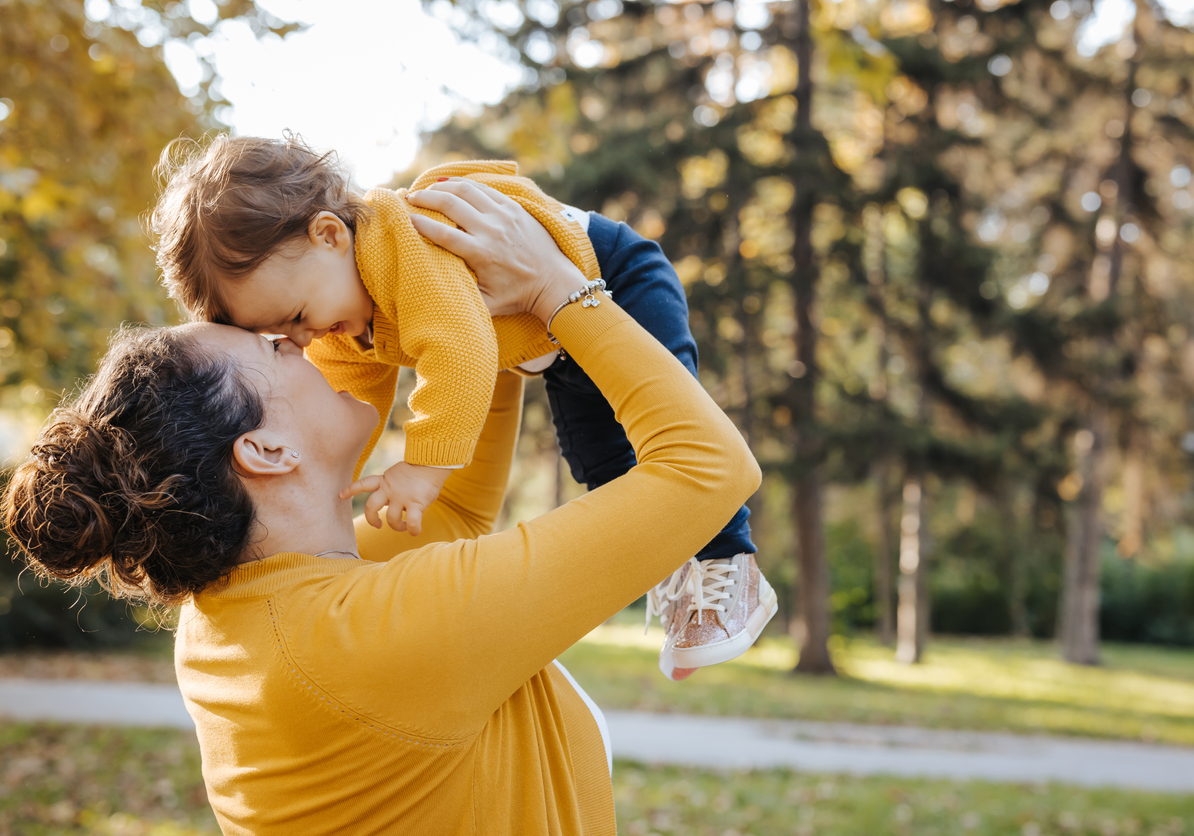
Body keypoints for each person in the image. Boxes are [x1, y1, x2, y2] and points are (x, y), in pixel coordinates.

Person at [2, 180, 765, 834]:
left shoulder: (250, 605)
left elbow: (456, 516)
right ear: (265, 451)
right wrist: (554, 289)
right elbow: (709, 467)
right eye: (275, 348)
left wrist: (453, 296)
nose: (305, 342)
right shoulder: (361, 639)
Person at [146, 134, 775, 676]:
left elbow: (460, 352)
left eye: (300, 317)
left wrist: (422, 467)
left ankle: (728, 564)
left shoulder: (402, 253)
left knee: (668, 427)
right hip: (551, 341)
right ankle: (677, 562)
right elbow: (351, 402)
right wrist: (328, 487)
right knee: (605, 466)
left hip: (613, 279)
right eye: (285, 335)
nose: (307, 339)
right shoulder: (344, 318)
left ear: (330, 234)